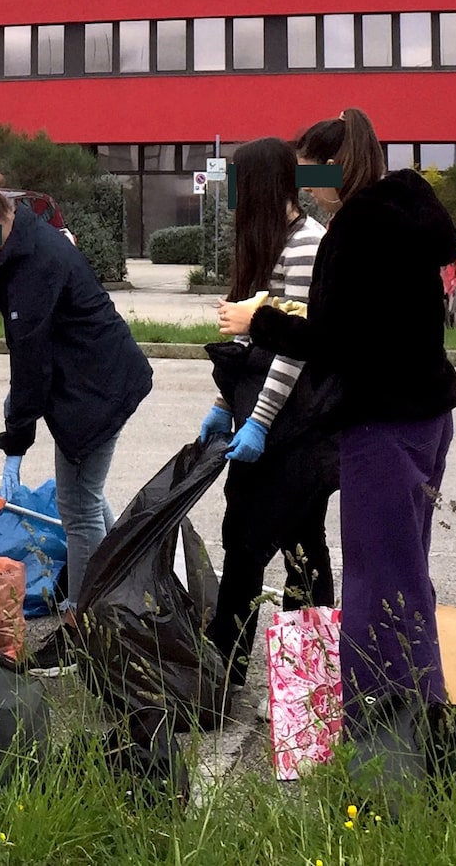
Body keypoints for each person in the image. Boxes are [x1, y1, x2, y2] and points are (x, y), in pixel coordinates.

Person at [233, 108, 456, 724]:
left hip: (383, 423)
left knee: (378, 582)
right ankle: (422, 711)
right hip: (425, 417)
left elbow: (333, 340)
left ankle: (385, 727)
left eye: (311, 168)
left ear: (337, 164)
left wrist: (257, 321)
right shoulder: (404, 217)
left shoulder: (358, 230)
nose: (305, 184)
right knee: (404, 570)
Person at [0, 153, 153, 677]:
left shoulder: (36, 258)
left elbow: (30, 364)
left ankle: (85, 630)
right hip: (96, 381)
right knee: (88, 497)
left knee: (77, 507)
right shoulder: (26, 233)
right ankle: (119, 592)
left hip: (95, 390)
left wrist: (14, 444)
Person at [198, 138, 339, 697]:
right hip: (272, 421)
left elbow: (294, 349)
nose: (232, 198)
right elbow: (244, 343)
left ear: (258, 187)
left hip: (296, 429)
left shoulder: (307, 244)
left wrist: (257, 422)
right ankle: (312, 683)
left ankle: (224, 671)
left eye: (237, 185)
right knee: (302, 544)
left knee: (248, 544)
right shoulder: (266, 242)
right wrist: (220, 406)